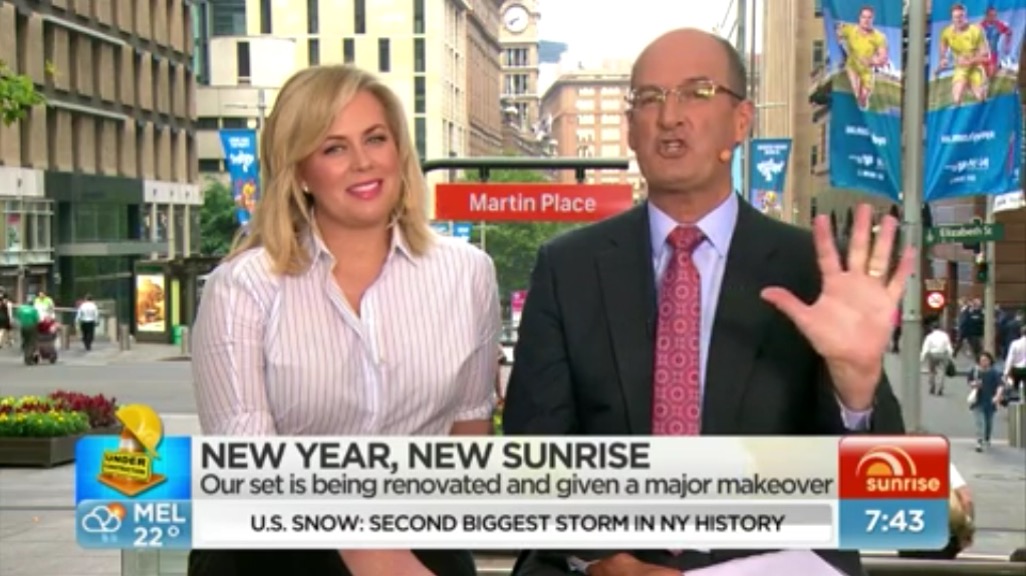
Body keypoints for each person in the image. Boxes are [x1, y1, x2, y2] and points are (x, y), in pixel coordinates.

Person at [503, 28, 910, 576]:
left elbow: (884, 498)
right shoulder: (568, 268)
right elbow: (533, 460)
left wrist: (857, 388)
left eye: (696, 93)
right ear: (631, 128)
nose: (669, 116)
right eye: (649, 98)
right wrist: (600, 559)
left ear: (741, 122)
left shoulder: (814, 271)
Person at [189, 64, 498, 576]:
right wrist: (369, 552)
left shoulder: (468, 273)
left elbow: (468, 433)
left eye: (375, 139)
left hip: (420, 540)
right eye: (334, 148)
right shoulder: (242, 287)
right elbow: (249, 469)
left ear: (399, 150)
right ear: (299, 172)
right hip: (272, 551)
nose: (363, 162)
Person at [836, 5, 889, 110]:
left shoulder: (879, 37)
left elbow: (883, 58)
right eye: (864, 17)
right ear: (859, 18)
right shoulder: (850, 30)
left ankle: (863, 102)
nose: (866, 20)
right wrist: (839, 39)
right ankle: (857, 99)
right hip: (852, 65)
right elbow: (838, 32)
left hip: (866, 71)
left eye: (869, 17)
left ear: (873, 19)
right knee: (856, 91)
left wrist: (872, 61)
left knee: (862, 97)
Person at [939, 3, 991, 105]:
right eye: (955, 17)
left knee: (981, 98)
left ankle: (973, 85)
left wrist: (970, 61)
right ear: (952, 18)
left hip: (976, 67)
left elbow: (986, 57)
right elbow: (943, 47)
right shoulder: (946, 32)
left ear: (966, 16)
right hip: (961, 69)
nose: (958, 20)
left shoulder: (976, 30)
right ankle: (965, 84)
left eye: (961, 16)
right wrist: (943, 58)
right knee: (956, 99)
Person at [967, 351, 1003, 451]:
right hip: (978, 401)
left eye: (986, 360)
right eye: (982, 360)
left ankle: (987, 438)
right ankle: (979, 441)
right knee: (979, 422)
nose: (984, 362)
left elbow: (1000, 385)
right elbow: (969, 382)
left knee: (988, 423)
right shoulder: (975, 371)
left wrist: (997, 396)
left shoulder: (994, 373)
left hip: (990, 402)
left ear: (990, 361)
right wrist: (974, 384)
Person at [921, 322, 955, 395]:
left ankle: (932, 385)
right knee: (942, 371)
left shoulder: (929, 336)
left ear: (932, 328)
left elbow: (926, 348)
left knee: (932, 371)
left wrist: (922, 358)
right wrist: (951, 356)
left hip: (932, 355)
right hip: (942, 354)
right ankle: (940, 388)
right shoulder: (945, 335)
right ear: (940, 328)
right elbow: (948, 346)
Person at [979, 6, 1012, 79]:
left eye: (995, 15)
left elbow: (1009, 32)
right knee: (984, 75)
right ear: (986, 16)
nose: (993, 17)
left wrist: (1007, 45)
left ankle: (999, 67)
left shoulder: (999, 24)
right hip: (982, 54)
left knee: (991, 75)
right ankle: (998, 68)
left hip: (993, 53)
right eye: (991, 15)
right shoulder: (980, 26)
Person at [1004, 325, 1026, 402]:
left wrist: (1006, 372)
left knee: (1015, 388)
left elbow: (1010, 359)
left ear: (1021, 333)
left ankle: (1017, 399)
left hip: (1017, 370)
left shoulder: (1015, 343)